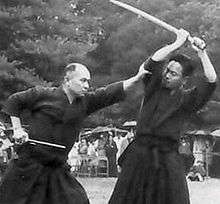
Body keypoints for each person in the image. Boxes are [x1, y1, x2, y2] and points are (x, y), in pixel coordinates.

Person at [0, 62, 148, 204]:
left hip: (57, 169)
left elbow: (109, 92)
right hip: (29, 166)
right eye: (83, 80)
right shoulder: (42, 94)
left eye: (88, 81)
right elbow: (14, 102)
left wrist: (136, 78)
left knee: (77, 200)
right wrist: (18, 129)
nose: (86, 86)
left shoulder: (86, 102)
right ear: (67, 80)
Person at [109, 29, 217, 204]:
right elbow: (152, 62)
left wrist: (202, 53)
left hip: (168, 158)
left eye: (173, 74)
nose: (167, 75)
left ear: (184, 80)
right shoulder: (153, 87)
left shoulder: (188, 99)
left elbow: (211, 81)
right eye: (167, 70)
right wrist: (176, 43)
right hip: (139, 155)